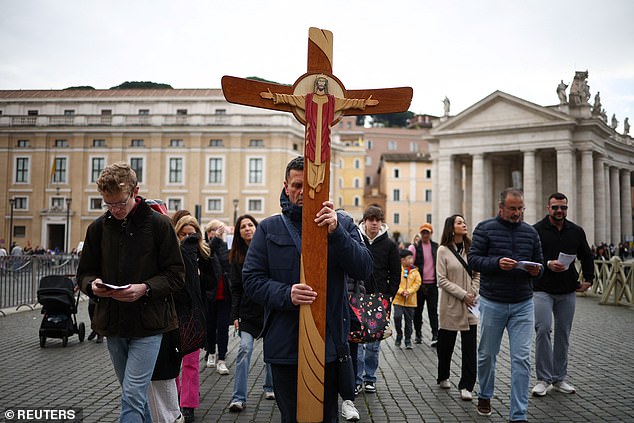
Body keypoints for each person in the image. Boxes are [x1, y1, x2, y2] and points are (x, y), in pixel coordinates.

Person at [242, 156, 372, 423]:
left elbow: (365, 269)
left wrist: (337, 233)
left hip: (330, 344)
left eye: (311, 187)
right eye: (297, 185)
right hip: (284, 344)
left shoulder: (343, 225)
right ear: (286, 186)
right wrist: (286, 293)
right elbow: (251, 281)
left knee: (327, 417)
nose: (303, 192)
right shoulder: (268, 228)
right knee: (291, 417)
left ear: (324, 190)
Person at [76, 162, 185, 422]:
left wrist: (145, 288)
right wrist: (92, 286)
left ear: (135, 192)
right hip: (114, 325)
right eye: (108, 204)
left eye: (121, 203)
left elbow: (177, 275)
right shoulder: (97, 229)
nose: (115, 210)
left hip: (150, 324)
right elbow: (84, 274)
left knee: (133, 395)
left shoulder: (160, 225)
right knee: (132, 395)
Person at [468, 187, 544, 422]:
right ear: (501, 207)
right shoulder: (484, 228)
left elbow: (540, 266)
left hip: (523, 303)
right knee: (487, 355)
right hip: (493, 301)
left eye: (521, 209)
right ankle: (485, 394)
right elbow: (473, 259)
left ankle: (518, 414)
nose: (517, 213)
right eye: (513, 209)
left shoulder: (530, 233)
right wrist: (496, 263)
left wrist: (536, 270)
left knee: (521, 359)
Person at [260, 75, 378, 199]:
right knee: (311, 159)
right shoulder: (308, 100)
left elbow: (348, 103)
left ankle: (316, 187)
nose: (321, 83)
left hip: (323, 137)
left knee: (322, 160)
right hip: (312, 136)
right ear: (316, 84)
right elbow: (291, 99)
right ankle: (312, 186)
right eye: (319, 81)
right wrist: (275, 97)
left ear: (325, 85)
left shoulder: (332, 101)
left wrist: (363, 103)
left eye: (323, 82)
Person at [531, 193, 593, 397]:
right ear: (548, 207)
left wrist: (589, 280)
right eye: (556, 207)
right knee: (543, 330)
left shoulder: (576, 231)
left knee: (563, 334)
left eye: (563, 208)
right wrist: (547, 263)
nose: (560, 211)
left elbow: (587, 255)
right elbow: (530, 257)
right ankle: (543, 378)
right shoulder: (536, 230)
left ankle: (559, 378)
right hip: (542, 288)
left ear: (567, 209)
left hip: (567, 289)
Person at [228, 214, 275, 412]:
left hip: (267, 310)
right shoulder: (236, 256)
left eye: (250, 225)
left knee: (272, 351)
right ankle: (238, 398)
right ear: (238, 233)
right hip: (247, 312)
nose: (247, 228)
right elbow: (236, 289)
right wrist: (235, 316)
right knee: (244, 349)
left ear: (256, 228)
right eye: (243, 226)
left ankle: (271, 387)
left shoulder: (268, 250)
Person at [356, 204, 400, 395]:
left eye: (377, 220)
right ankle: (356, 379)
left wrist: (388, 296)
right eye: (370, 220)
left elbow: (396, 273)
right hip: (357, 298)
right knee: (357, 344)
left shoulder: (389, 244)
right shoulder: (356, 239)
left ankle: (370, 378)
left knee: (373, 345)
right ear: (364, 222)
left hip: (379, 300)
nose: (374, 224)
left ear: (381, 222)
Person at [435, 214, 480, 401]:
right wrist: (463, 295)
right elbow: (441, 279)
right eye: (459, 222)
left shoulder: (472, 249)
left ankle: (467, 385)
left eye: (464, 222)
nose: (464, 224)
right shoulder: (443, 251)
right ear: (451, 228)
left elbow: (478, 273)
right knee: (446, 345)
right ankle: (443, 375)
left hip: (471, 306)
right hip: (451, 305)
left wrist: (473, 292)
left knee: (470, 348)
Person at [203, 219, 232, 375]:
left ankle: (222, 358)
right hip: (210, 295)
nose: (217, 232)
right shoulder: (205, 247)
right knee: (209, 326)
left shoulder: (226, 246)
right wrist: (216, 239)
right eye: (214, 229)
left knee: (222, 328)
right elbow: (208, 255)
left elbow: (229, 265)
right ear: (208, 233)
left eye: (219, 229)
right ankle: (211, 353)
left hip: (225, 295)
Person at [413, 223, 439, 347]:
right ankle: (418, 334)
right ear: (420, 233)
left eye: (427, 232)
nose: (425, 234)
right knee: (417, 311)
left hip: (433, 284)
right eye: (423, 232)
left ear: (431, 233)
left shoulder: (436, 247)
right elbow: (410, 263)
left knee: (433, 311)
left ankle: (435, 335)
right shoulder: (416, 247)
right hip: (420, 285)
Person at [392, 249, 421, 349]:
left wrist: (409, 291)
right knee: (397, 317)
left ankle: (408, 339)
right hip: (398, 300)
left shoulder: (415, 272)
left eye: (411, 258)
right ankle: (399, 333)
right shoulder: (397, 270)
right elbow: (394, 282)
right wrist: (401, 291)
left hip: (410, 301)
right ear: (402, 260)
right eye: (408, 258)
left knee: (409, 322)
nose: (411, 260)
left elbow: (417, 283)